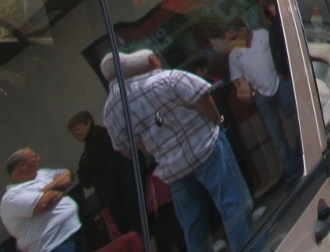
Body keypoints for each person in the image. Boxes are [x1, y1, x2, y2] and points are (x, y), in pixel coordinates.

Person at [101, 50, 252, 252]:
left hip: (173, 169)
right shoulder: (169, 79)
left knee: (194, 227)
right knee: (235, 207)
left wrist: (157, 149)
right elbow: (205, 100)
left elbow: (127, 149)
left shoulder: (110, 111)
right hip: (206, 149)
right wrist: (219, 121)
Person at [226, 18, 300, 186]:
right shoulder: (234, 56)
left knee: (297, 123)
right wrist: (250, 94)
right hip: (262, 96)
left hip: (280, 85)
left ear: (243, 30)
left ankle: (303, 158)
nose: (232, 43)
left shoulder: (263, 35)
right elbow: (239, 83)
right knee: (278, 137)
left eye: (233, 38)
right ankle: (292, 172)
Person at [68, 111, 137, 237]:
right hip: (112, 194)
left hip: (119, 190)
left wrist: (83, 169)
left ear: (88, 123)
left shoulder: (98, 135)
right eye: (74, 134)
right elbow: (86, 178)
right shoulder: (90, 145)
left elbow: (90, 167)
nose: (77, 134)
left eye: (78, 129)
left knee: (131, 227)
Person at [0, 149, 83, 252]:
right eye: (34, 157)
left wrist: (45, 190)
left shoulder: (41, 174)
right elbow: (44, 203)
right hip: (53, 245)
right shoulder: (11, 197)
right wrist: (58, 185)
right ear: (23, 165)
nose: (39, 159)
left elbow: (68, 175)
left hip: (74, 230)